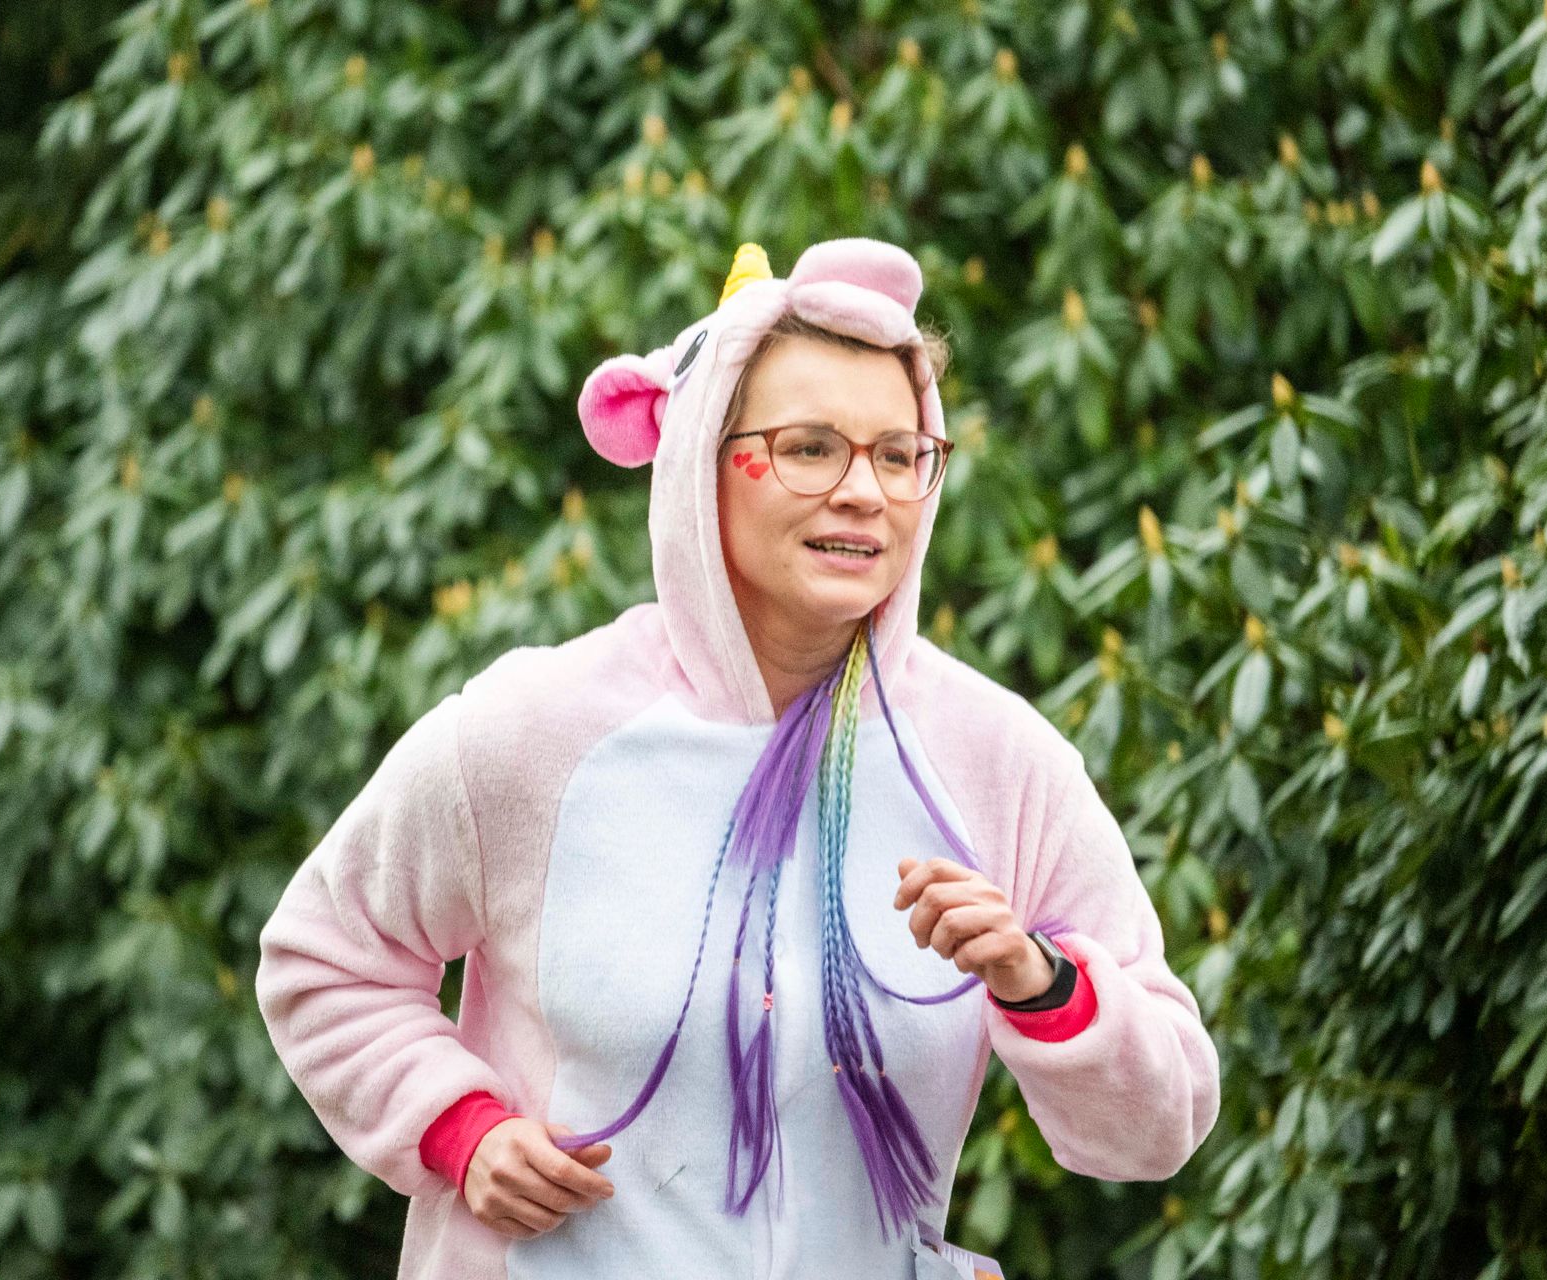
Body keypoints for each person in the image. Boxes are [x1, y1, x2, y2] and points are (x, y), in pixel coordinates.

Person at [255, 238, 1221, 1280]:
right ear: (701, 461)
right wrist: (461, 1128)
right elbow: (325, 956)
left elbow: (1160, 1120)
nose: (865, 491)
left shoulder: (999, 759)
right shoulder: (534, 726)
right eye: (811, 446)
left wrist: (1043, 981)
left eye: (900, 454)